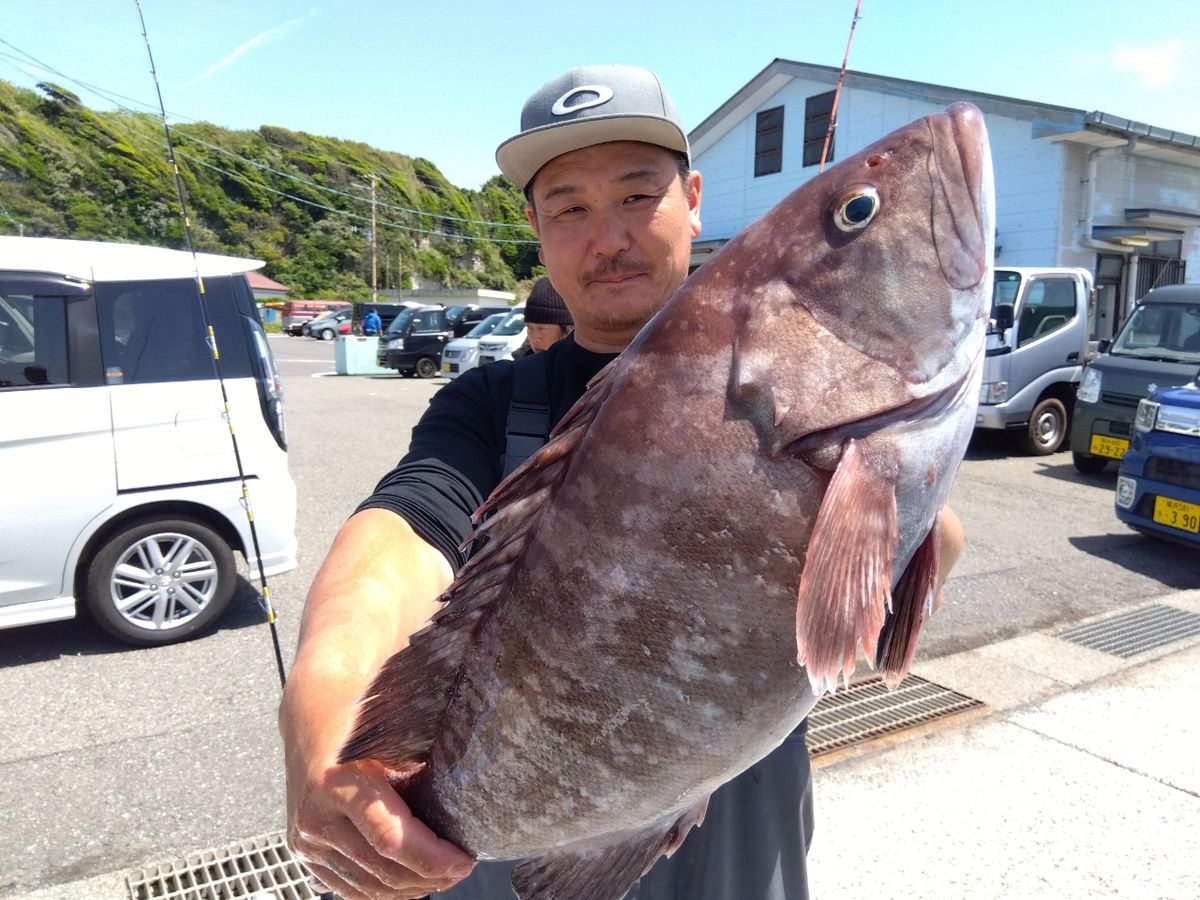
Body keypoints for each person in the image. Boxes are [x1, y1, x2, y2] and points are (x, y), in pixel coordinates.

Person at [279, 64, 965, 900]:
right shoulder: (489, 403)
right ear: (536, 228)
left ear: (694, 199)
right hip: (485, 852)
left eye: (638, 195)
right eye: (570, 207)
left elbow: (919, 563)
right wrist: (320, 700)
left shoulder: (797, 378)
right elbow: (402, 534)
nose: (608, 238)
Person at [511, 276, 574, 359]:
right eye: (529, 327)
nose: (535, 338)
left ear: (566, 330)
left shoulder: (587, 368)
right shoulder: (520, 367)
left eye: (541, 328)